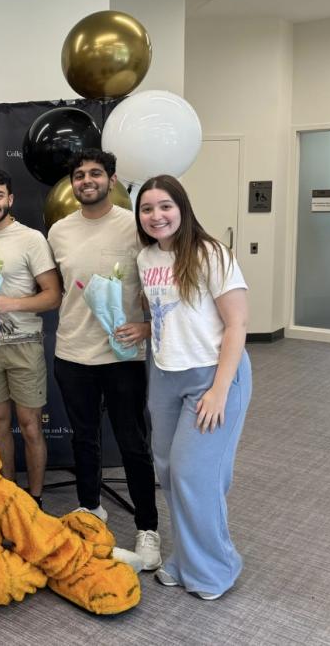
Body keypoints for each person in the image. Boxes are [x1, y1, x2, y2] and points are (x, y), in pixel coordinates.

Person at [135, 174, 251, 600]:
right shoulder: (146, 258)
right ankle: (186, 560)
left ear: (181, 208)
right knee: (168, 472)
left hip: (213, 374)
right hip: (165, 374)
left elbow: (237, 324)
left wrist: (220, 391)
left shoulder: (211, 254)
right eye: (147, 209)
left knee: (193, 474)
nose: (156, 215)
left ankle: (214, 569)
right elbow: (174, 315)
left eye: (165, 206)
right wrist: (143, 328)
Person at [47, 150, 161, 570]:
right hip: (72, 352)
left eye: (95, 173)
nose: (87, 180)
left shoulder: (135, 227)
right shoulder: (58, 231)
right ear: (72, 184)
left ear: (111, 180)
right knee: (84, 438)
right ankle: (91, 507)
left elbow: (159, 289)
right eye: (79, 175)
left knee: (132, 443)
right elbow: (58, 289)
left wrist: (148, 328)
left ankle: (148, 528)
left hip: (122, 355)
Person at [0, 168, 61, 509]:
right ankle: (9, 496)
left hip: (23, 345)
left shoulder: (31, 239)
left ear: (10, 199)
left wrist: (11, 303)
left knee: (30, 425)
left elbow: (53, 296)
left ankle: (34, 500)